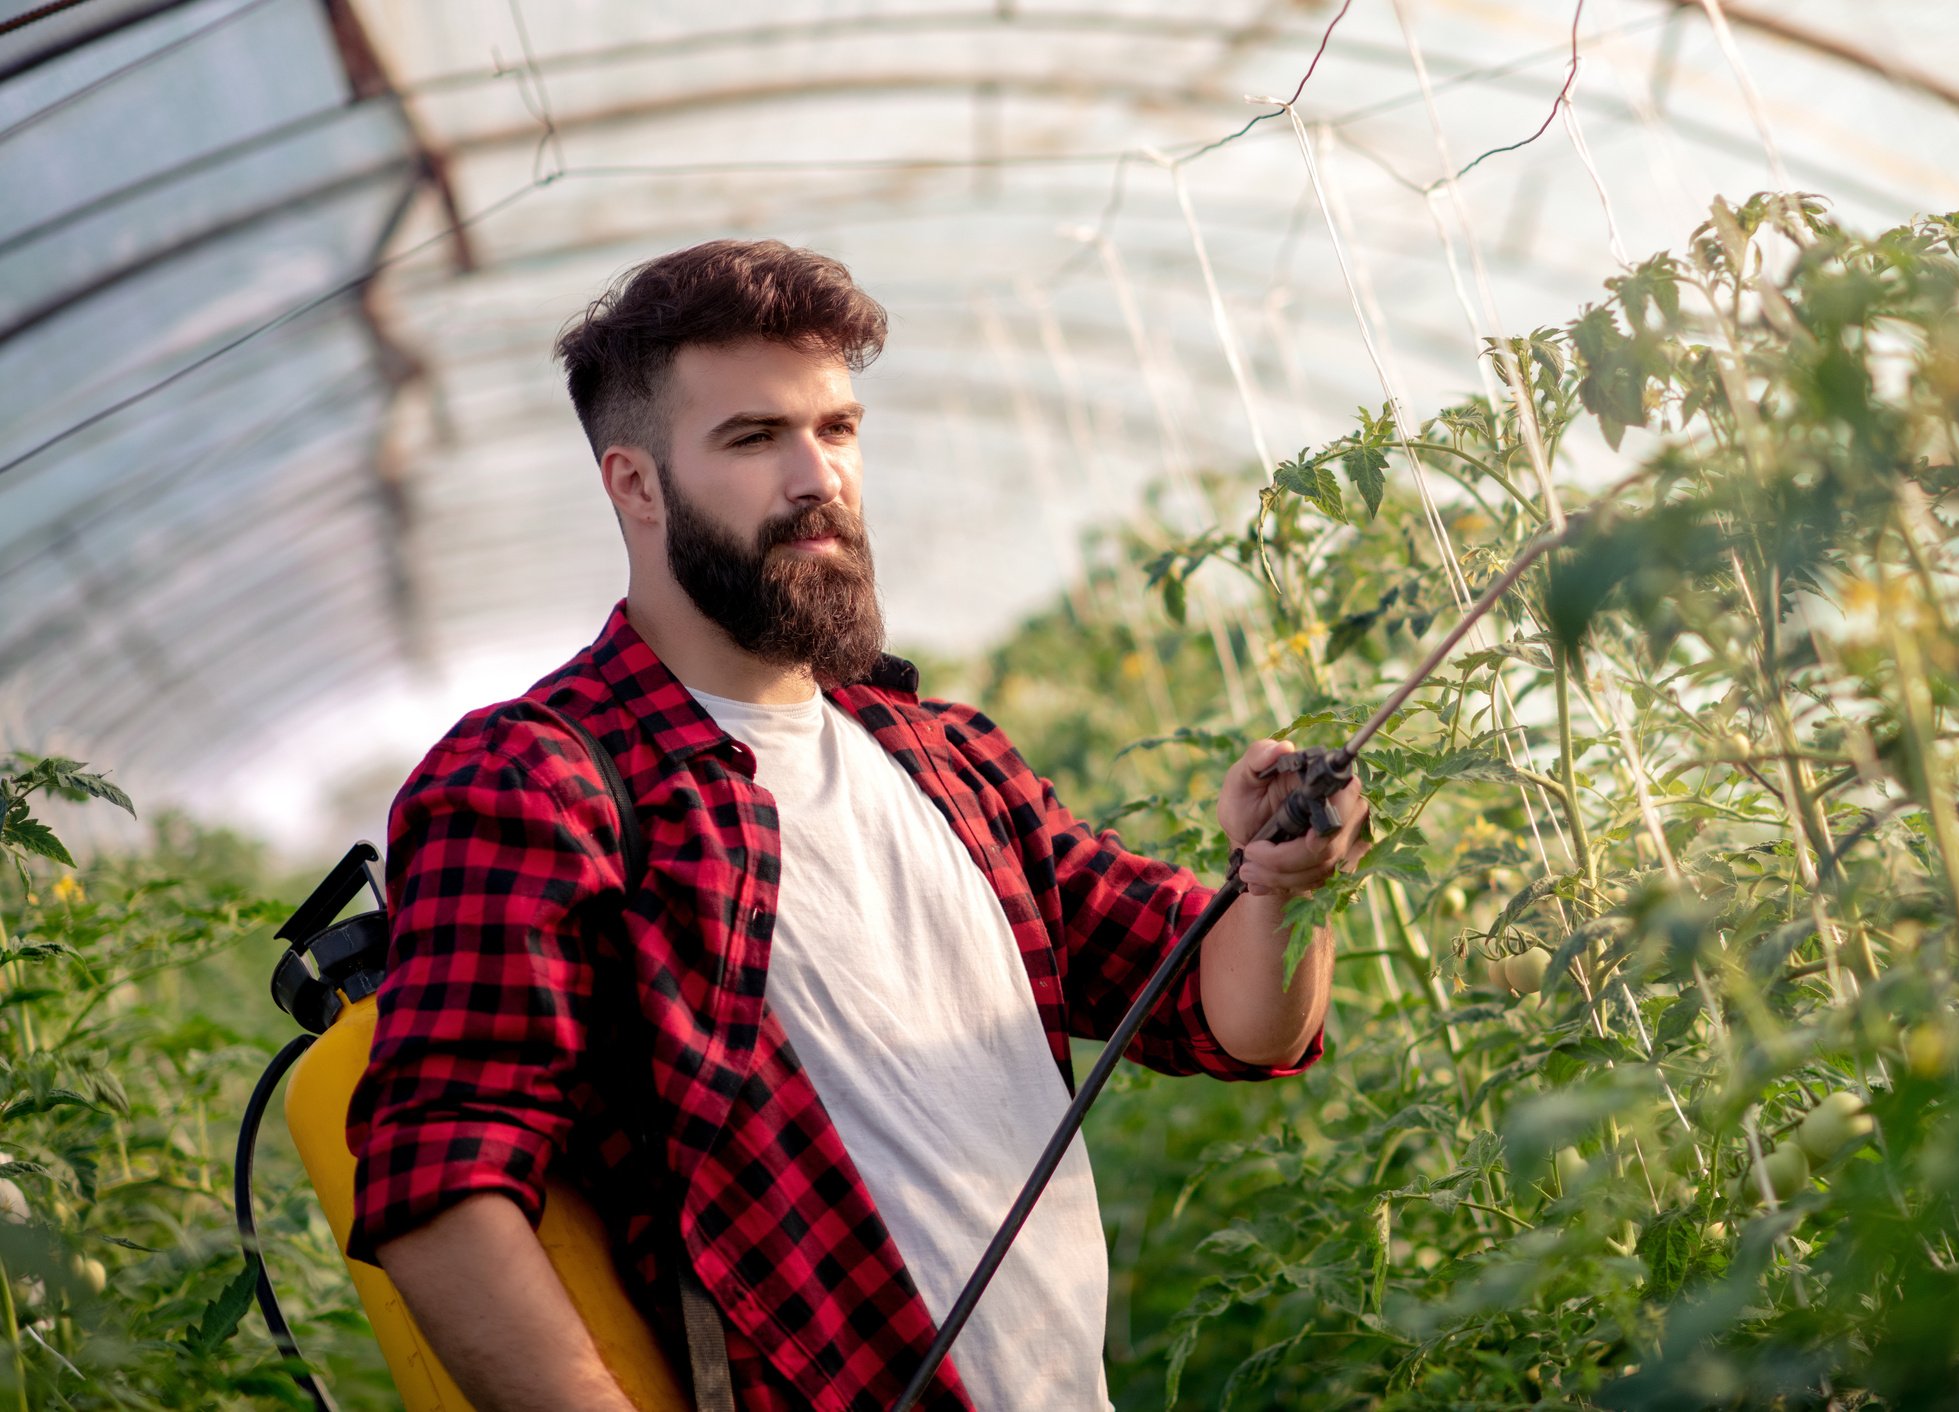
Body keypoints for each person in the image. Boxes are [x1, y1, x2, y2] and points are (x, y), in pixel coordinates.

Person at [346, 240, 1366, 1411]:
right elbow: (441, 1178)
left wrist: (1282, 880)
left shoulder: (941, 754)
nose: (815, 476)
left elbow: (1227, 1015)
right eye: (752, 437)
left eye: (836, 429)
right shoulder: (540, 783)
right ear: (632, 483)